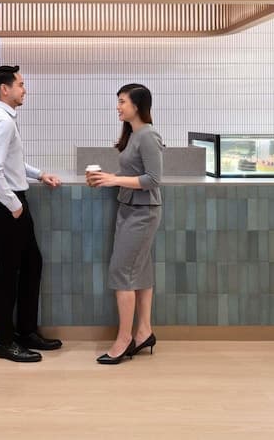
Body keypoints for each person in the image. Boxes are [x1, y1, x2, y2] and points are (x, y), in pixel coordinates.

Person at [0, 65, 63, 362]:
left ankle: (26, 332)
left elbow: (11, 163)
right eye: (20, 84)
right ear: (5, 89)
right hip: (7, 205)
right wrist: (14, 205)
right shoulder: (2, 122)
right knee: (8, 273)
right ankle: (3, 342)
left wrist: (39, 174)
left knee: (31, 264)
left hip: (11, 202)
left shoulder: (3, 119)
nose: (24, 89)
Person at [88, 83, 163, 365]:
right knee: (139, 272)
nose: (118, 107)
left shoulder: (148, 135)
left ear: (137, 105)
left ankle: (124, 339)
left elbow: (153, 179)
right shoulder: (133, 134)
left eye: (122, 102)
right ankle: (143, 332)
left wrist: (114, 179)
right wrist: (108, 178)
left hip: (142, 212)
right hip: (131, 209)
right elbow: (134, 172)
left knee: (122, 273)